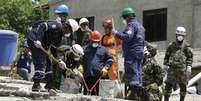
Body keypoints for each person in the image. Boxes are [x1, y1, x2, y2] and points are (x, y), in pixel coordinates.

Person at [27, 19, 78, 91]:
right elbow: (42, 26)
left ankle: (49, 84)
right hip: (34, 38)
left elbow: (54, 49)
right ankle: (36, 84)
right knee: (41, 61)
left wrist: (58, 60)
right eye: (69, 31)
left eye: (70, 32)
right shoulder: (57, 25)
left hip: (43, 45)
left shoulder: (59, 38)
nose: (69, 33)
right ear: (66, 27)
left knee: (48, 63)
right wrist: (38, 39)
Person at [113, 7, 145, 100]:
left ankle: (133, 94)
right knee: (138, 71)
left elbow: (127, 37)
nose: (124, 20)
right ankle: (138, 93)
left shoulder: (131, 26)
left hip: (132, 52)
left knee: (132, 71)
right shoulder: (141, 27)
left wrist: (116, 34)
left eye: (124, 18)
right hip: (139, 52)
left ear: (127, 17)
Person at [163, 26, 193, 101]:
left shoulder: (186, 46)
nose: (180, 37)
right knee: (168, 86)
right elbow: (167, 55)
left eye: (182, 35)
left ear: (184, 36)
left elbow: (190, 57)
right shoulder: (171, 45)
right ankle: (166, 99)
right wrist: (165, 64)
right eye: (178, 35)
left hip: (182, 71)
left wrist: (189, 66)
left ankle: (182, 100)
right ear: (176, 35)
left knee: (183, 86)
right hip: (172, 69)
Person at [81, 31, 113, 96]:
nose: (95, 43)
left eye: (97, 41)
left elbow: (110, 60)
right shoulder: (85, 49)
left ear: (99, 41)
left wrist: (106, 68)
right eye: (93, 41)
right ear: (90, 40)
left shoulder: (103, 50)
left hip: (98, 78)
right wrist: (80, 65)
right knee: (85, 96)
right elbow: (79, 58)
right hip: (87, 77)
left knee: (97, 96)